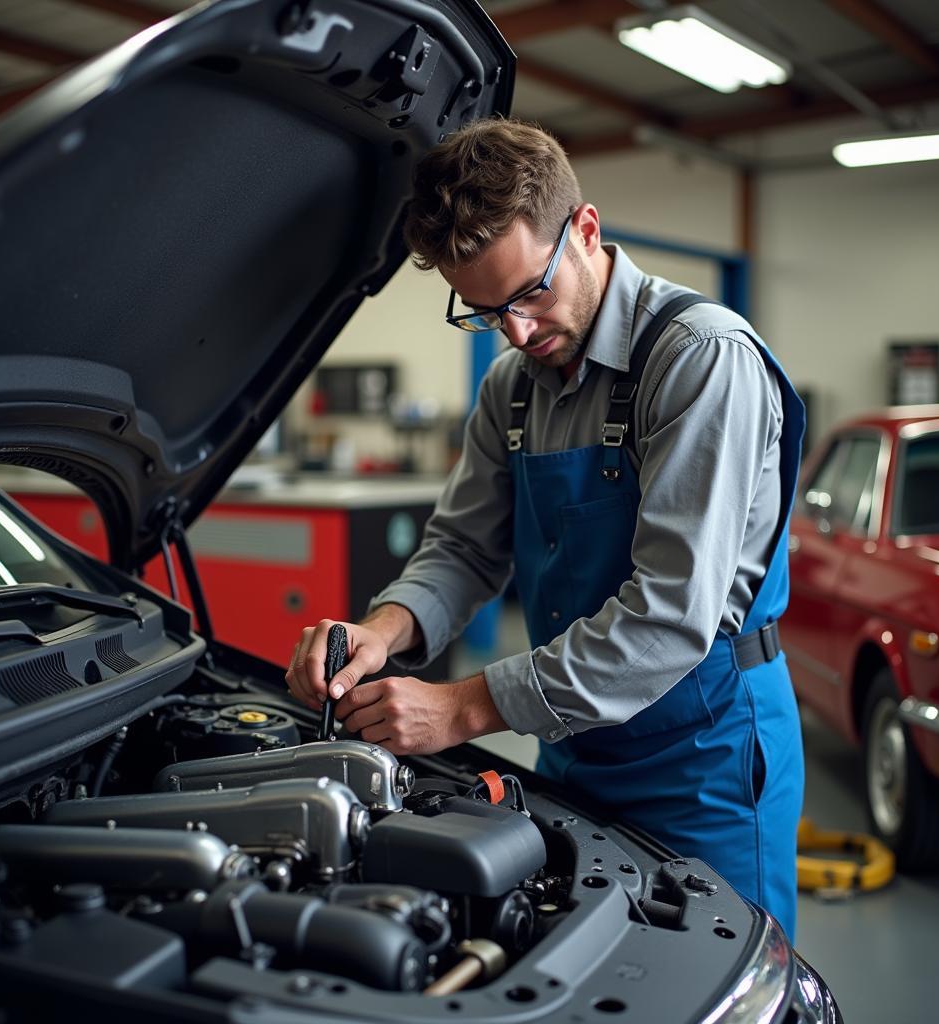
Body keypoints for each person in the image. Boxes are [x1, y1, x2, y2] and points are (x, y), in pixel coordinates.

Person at [286, 118, 805, 939]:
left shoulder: (701, 360)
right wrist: (381, 630)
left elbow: (669, 616)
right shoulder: (513, 388)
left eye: (529, 293)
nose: (519, 333)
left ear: (587, 229)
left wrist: (459, 708)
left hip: (703, 751)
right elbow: (463, 548)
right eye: (487, 311)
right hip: (571, 738)